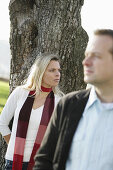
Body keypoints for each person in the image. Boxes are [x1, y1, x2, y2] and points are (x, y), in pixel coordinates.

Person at [33, 29, 113, 170]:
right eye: (86, 55)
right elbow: (44, 161)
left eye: (96, 56)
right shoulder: (68, 105)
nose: (85, 62)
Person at [0, 53, 63, 170]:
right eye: (52, 70)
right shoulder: (20, 93)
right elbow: (2, 123)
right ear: (41, 72)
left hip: (39, 164)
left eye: (59, 70)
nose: (57, 74)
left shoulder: (59, 102)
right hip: (12, 161)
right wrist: (14, 147)